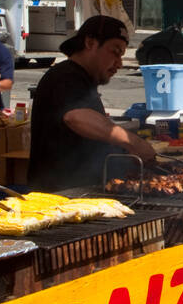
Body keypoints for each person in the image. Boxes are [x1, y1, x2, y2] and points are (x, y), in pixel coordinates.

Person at [28, 14, 155, 191]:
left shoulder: (83, 80)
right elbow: (77, 117)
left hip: (80, 192)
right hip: (59, 196)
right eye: (115, 52)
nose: (119, 63)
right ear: (90, 43)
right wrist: (133, 142)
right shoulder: (64, 77)